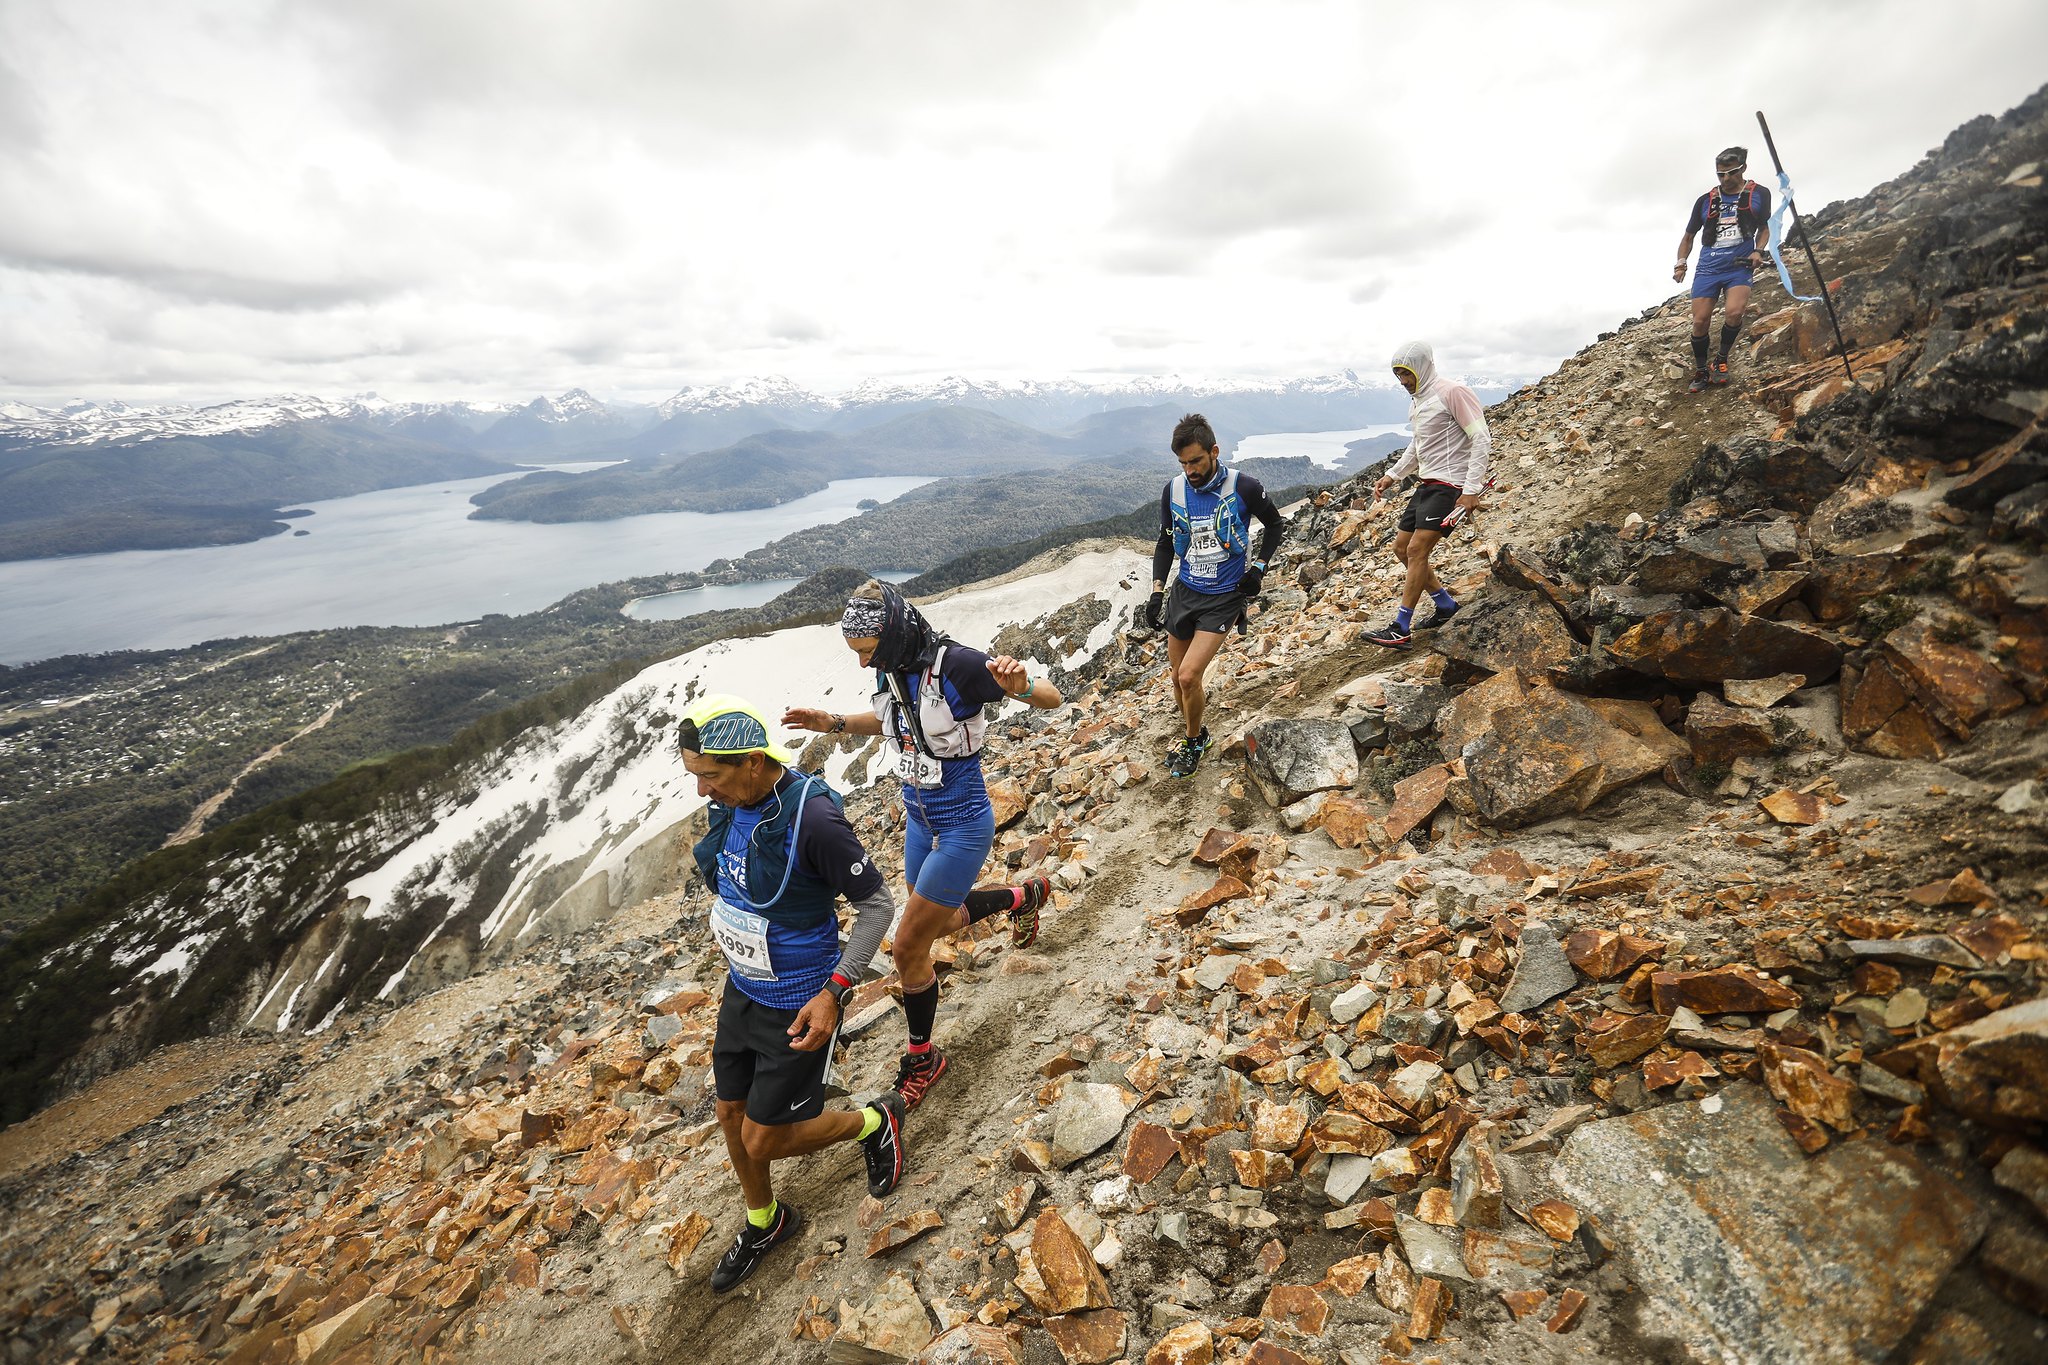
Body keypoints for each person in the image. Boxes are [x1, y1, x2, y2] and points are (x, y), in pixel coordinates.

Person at [782, 580, 1061, 1111]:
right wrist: (834, 723)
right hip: (918, 818)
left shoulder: (956, 666)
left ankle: (923, 1057)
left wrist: (1022, 686)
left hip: (961, 823)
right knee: (945, 921)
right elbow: (891, 723)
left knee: (908, 945)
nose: (864, 664)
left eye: (867, 652)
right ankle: (1024, 898)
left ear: (889, 636)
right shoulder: (893, 669)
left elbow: (1050, 698)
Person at [680, 694, 909, 1293]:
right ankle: (765, 1220)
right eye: (696, 777)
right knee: (731, 1115)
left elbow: (878, 907)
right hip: (742, 991)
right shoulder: (735, 805)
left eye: (711, 775)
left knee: (764, 1137)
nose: (703, 792)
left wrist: (836, 991)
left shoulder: (815, 820)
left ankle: (872, 1121)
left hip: (799, 1001)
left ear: (754, 762)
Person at [1143, 412, 1285, 778]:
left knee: (1189, 676)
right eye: (1183, 463)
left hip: (1223, 596)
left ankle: (1193, 741)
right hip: (1185, 591)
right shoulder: (1173, 490)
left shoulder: (1245, 486)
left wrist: (1259, 569)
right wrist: (1157, 591)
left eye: (1196, 461)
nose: (1189, 470)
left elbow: (1275, 525)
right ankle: (1197, 731)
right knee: (1177, 678)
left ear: (1214, 451)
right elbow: (1166, 541)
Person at [1363, 341, 1492, 650]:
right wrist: (1392, 475)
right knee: (1401, 548)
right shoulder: (1419, 401)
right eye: (1398, 376)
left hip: (1451, 485)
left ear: (1421, 367)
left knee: (1417, 550)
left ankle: (1401, 628)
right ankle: (1445, 605)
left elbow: (1481, 437)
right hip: (1428, 484)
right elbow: (1418, 446)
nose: (1403, 382)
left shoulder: (1452, 393)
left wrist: (1471, 490)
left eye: (1406, 374)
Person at [1674, 146, 1772, 391]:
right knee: (1699, 322)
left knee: (1735, 312)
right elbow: (1689, 236)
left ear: (1743, 169)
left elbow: (1765, 228)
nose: (1726, 179)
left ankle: (1721, 360)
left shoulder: (1759, 194)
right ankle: (1700, 369)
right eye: (1720, 174)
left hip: (1738, 267)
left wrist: (1758, 251)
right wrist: (1680, 263)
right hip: (1708, 268)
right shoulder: (1705, 201)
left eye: (1731, 173)